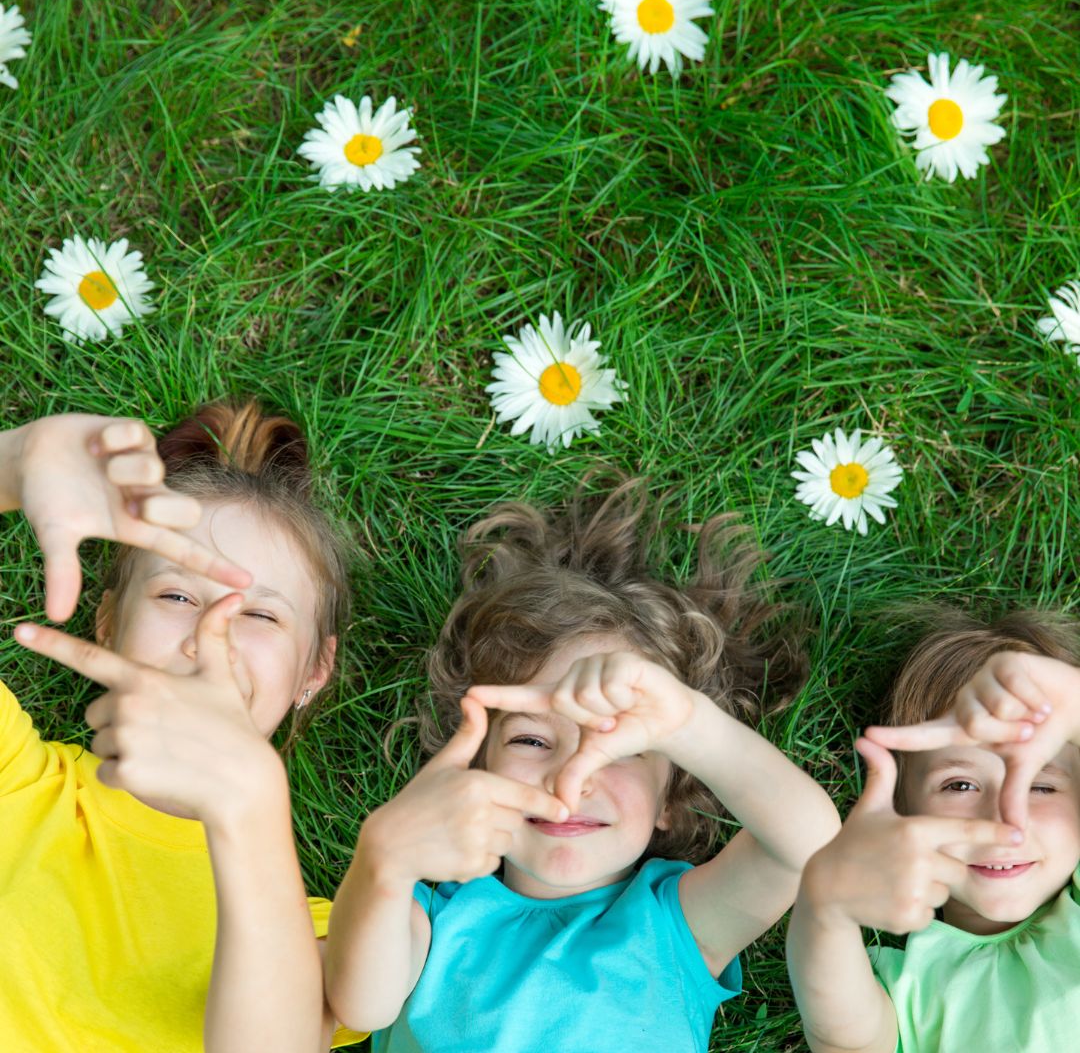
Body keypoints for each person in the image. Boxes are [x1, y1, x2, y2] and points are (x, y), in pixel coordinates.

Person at [324, 481, 841, 1051]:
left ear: (670, 798)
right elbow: (360, 1005)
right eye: (530, 740)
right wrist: (384, 861)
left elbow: (807, 846)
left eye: (619, 747)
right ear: (477, 772)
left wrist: (690, 725)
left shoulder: (676, 926)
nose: (571, 776)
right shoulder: (434, 918)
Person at [0, 405, 363, 1052]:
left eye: (262, 615)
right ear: (108, 623)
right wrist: (9, 465)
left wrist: (248, 802)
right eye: (176, 596)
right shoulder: (14, 778)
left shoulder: (318, 932)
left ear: (316, 669)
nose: (209, 635)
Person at [787, 611, 1080, 1052]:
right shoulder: (908, 984)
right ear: (900, 811)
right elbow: (844, 1042)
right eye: (959, 785)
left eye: (1042, 785)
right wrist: (824, 907)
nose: (1003, 820)